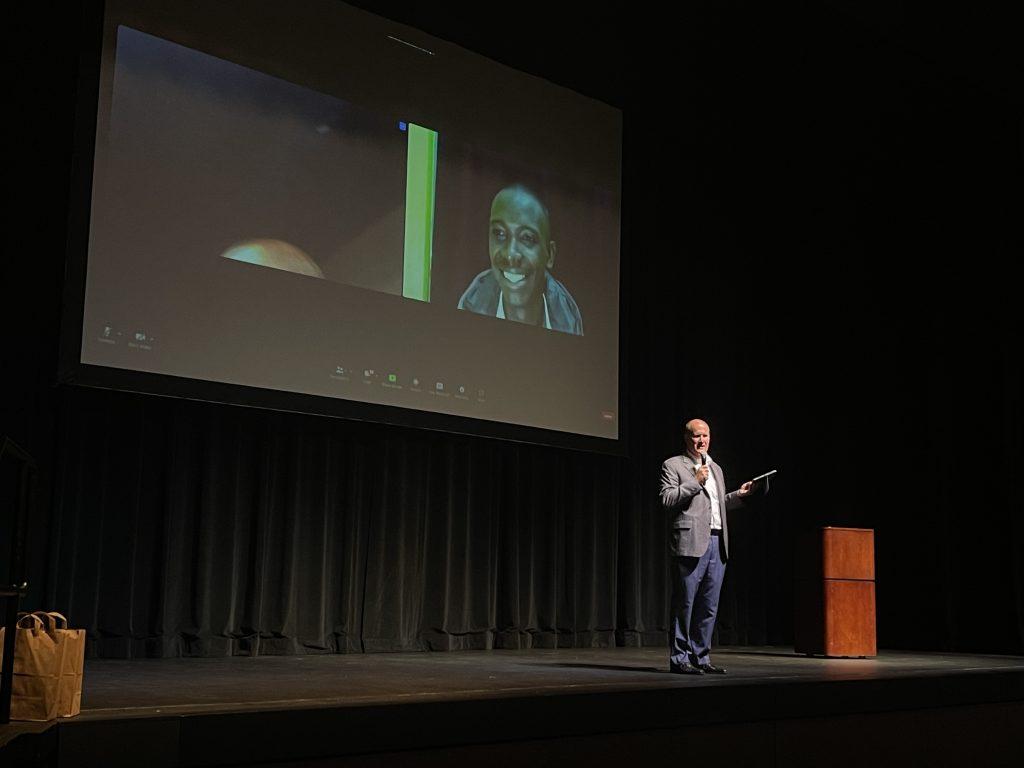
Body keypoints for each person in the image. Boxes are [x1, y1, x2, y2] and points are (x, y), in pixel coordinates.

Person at [660, 418, 755, 675]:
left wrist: (738, 496)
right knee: (685, 604)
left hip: (716, 541)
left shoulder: (716, 468)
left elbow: (717, 504)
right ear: (686, 438)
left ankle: (701, 657)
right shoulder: (673, 465)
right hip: (690, 542)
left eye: (705, 435)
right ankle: (679, 659)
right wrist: (695, 482)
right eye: (696, 436)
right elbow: (667, 499)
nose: (701, 440)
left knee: (709, 606)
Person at [457, 184, 583, 335]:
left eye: (527, 238)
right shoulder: (470, 306)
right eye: (499, 233)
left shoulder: (570, 320)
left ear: (549, 254)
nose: (511, 255)